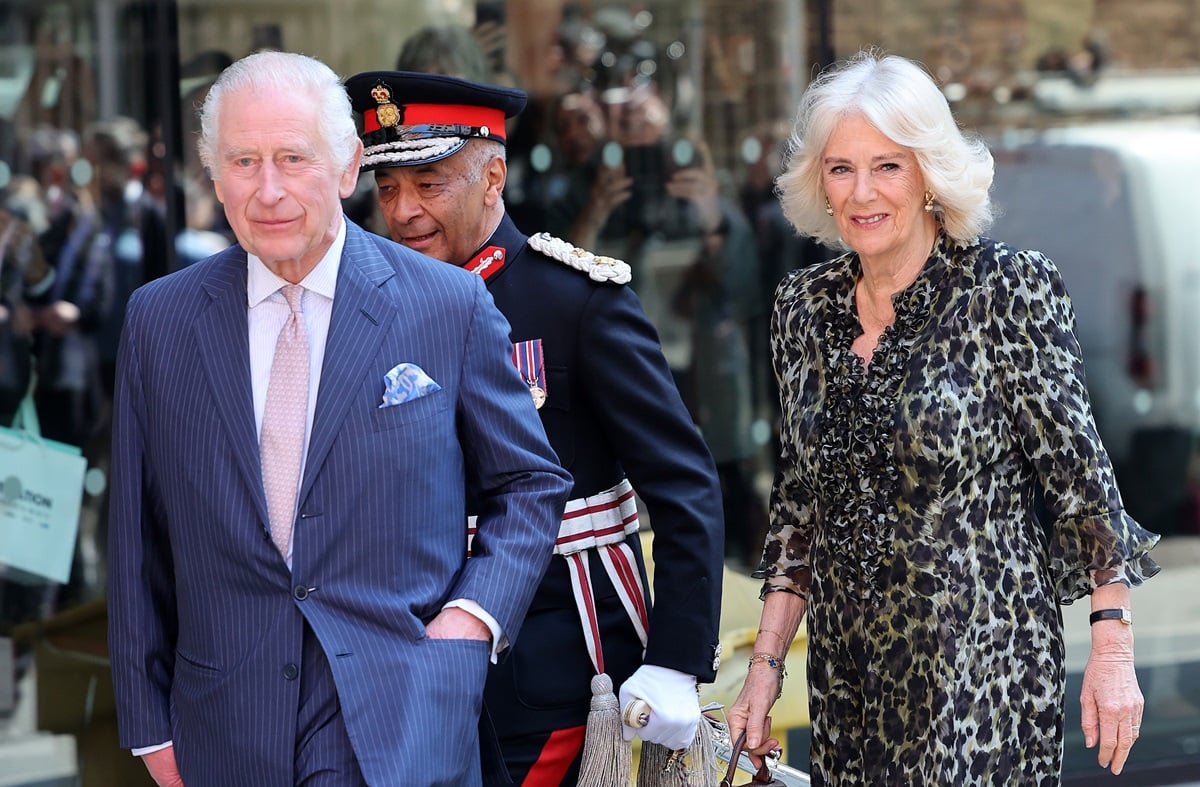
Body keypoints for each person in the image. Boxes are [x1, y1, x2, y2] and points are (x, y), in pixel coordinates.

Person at [106, 50, 572, 786]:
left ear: (348, 166)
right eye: (244, 161)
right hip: (222, 731)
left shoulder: (444, 305)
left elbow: (530, 483)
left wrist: (470, 622)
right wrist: (146, 724)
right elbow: (136, 538)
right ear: (213, 173)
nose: (268, 189)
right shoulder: (159, 320)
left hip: (404, 721)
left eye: (293, 158)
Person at [726, 50, 1161, 785]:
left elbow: (1082, 487)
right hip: (850, 680)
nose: (862, 191)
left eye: (887, 166)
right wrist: (765, 669)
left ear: (929, 172)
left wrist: (1111, 649)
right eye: (841, 167)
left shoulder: (1007, 289)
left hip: (983, 678)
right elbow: (799, 508)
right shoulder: (803, 309)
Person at [343, 69, 725, 785]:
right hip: (418, 662)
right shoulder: (379, 306)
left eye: (429, 184)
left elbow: (684, 484)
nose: (403, 211)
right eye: (388, 189)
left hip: (558, 662)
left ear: (493, 176)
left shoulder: (574, 300)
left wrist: (676, 657)